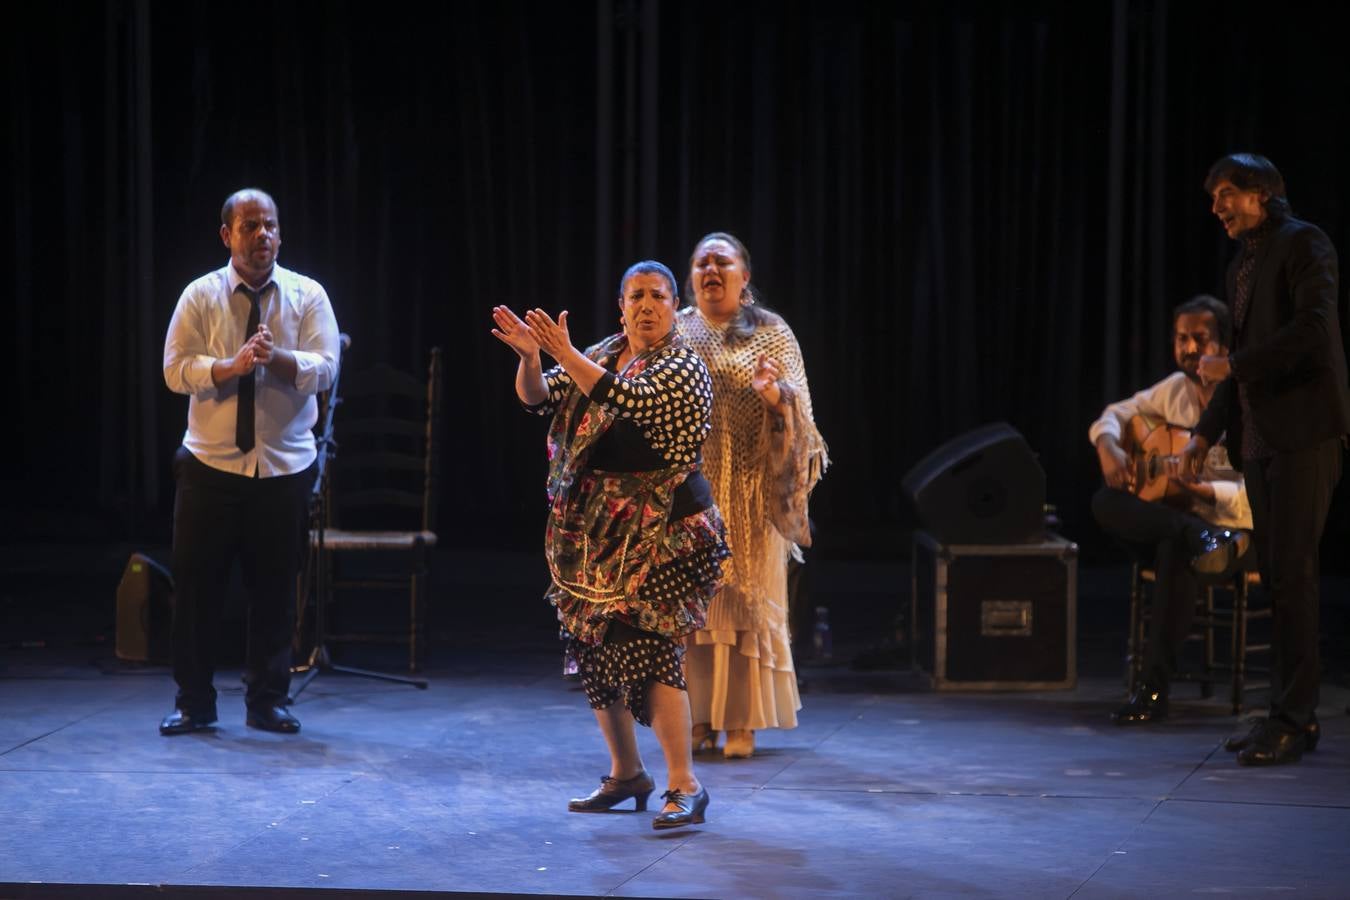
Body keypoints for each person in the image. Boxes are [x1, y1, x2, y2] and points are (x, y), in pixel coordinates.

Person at [491, 260, 729, 829]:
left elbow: (631, 401)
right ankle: (628, 774)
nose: (646, 306)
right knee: (593, 649)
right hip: (600, 532)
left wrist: (565, 355)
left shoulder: (682, 366)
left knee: (648, 648)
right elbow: (538, 400)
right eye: (635, 296)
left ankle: (685, 784)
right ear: (620, 306)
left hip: (667, 532)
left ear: (675, 307)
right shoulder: (600, 353)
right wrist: (531, 359)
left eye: (658, 296)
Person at [1180, 153, 1350, 766]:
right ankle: (1286, 714)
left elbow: (1311, 330)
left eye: (1227, 193)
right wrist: (1204, 434)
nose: (1217, 207)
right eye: (1215, 196)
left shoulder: (1306, 243)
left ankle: (1295, 715)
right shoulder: (1242, 265)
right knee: (1276, 578)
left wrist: (1236, 366)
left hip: (1304, 433)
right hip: (1258, 440)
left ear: (1263, 193)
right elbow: (1240, 365)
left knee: (1297, 574)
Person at [160, 188, 340, 736]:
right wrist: (227, 367)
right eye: (250, 226)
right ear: (227, 235)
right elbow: (174, 369)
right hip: (209, 465)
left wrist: (277, 359)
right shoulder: (200, 296)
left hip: (283, 467)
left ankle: (268, 701)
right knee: (196, 589)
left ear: (280, 234)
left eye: (270, 226)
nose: (262, 235)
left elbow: (327, 367)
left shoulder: (307, 296)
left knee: (274, 589)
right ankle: (194, 703)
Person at [675, 232, 828, 759]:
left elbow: (802, 414)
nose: (711, 270)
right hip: (691, 494)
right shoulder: (677, 330)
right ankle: (698, 721)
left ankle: (741, 722)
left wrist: (776, 398)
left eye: (723, 262)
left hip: (752, 492)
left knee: (745, 608)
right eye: (701, 263)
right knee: (695, 611)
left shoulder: (770, 332)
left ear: (744, 275)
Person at [1089, 295, 1253, 724]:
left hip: (1232, 533)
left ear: (1223, 343)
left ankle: (1152, 691)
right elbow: (1115, 413)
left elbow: (1262, 494)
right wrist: (1108, 447)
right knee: (1105, 500)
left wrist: (1208, 492)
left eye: (1200, 338)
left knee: (1174, 549)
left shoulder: (1247, 398)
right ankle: (1188, 532)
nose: (1190, 348)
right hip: (1184, 522)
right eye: (1182, 339)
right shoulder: (1175, 390)